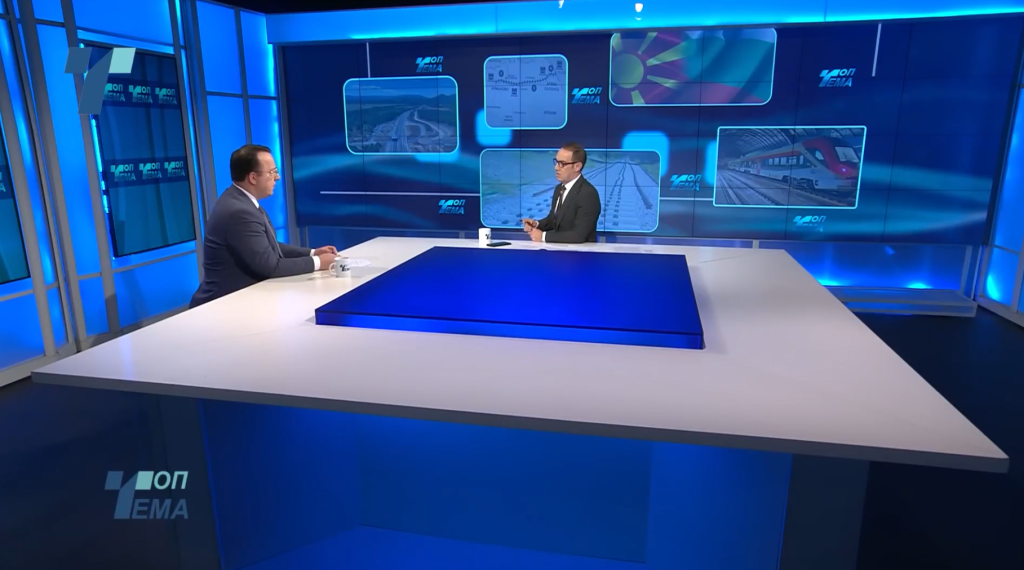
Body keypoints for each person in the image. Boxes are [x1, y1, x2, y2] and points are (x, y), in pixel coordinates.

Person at [189, 144, 337, 308]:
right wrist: (318, 262)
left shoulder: (242, 201)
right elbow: (270, 267)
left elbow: (267, 246)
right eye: (272, 172)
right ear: (253, 178)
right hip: (220, 306)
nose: (277, 177)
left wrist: (313, 252)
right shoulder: (239, 211)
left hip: (241, 301)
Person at [522, 142, 601, 243]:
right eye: (556, 162)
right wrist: (536, 224)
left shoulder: (588, 194)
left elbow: (579, 235)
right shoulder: (559, 188)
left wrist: (543, 236)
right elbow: (553, 220)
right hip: (559, 250)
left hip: (580, 252)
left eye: (562, 163)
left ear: (577, 166)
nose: (556, 168)